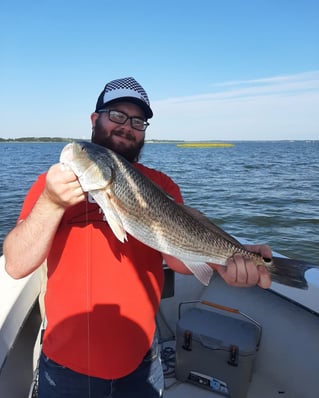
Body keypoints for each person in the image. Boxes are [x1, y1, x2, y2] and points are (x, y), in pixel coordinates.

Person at [3, 77, 272, 398]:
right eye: (116, 115)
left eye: (137, 121)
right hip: (65, 367)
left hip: (143, 364)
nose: (127, 127)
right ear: (95, 119)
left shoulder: (163, 185)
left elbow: (179, 257)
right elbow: (17, 265)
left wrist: (223, 262)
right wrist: (51, 202)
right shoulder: (52, 185)